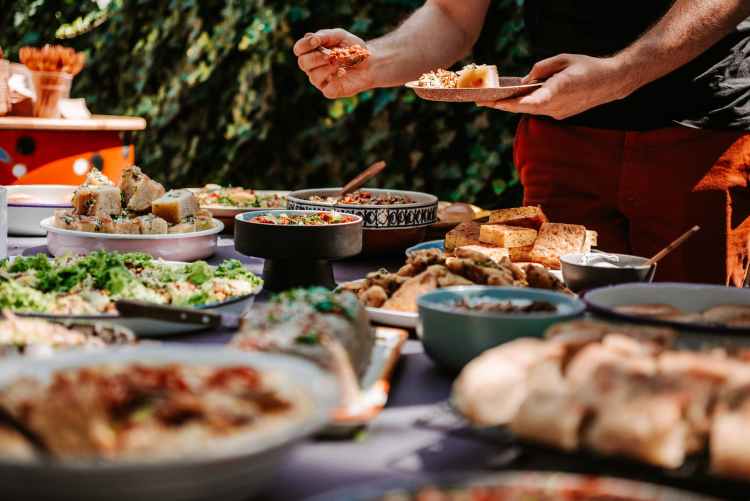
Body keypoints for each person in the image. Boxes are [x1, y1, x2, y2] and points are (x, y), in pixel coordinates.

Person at [294, 0, 750, 287]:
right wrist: (376, 63)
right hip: (560, 141)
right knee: (557, 326)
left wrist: (618, 76)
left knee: (690, 338)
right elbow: (453, 15)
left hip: (696, 142)